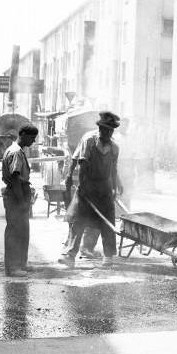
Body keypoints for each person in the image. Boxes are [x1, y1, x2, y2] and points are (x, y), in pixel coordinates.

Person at [59, 111, 123, 268]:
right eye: (105, 129)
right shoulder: (89, 141)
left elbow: (113, 169)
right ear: (100, 128)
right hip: (88, 184)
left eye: (110, 130)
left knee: (107, 221)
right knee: (78, 220)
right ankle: (70, 255)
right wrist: (82, 188)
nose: (107, 133)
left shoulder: (114, 147)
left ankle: (108, 257)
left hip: (105, 187)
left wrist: (115, 188)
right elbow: (82, 166)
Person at [1, 124, 38, 277]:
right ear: (22, 134)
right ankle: (13, 267)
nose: (33, 141)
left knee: (22, 231)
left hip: (18, 193)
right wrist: (22, 200)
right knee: (15, 232)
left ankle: (21, 264)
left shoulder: (17, 150)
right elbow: (16, 178)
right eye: (32, 137)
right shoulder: (16, 152)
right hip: (16, 194)